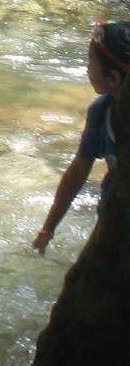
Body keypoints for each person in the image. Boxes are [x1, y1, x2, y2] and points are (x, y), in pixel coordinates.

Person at [32, 21, 130, 255]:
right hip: (112, 216)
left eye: (90, 62)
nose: (87, 68)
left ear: (113, 79)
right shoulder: (100, 114)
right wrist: (48, 228)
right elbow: (78, 172)